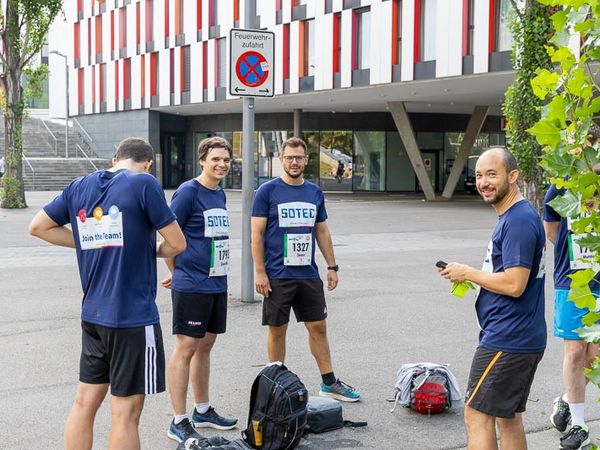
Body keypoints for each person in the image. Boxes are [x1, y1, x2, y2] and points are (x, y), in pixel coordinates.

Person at [28, 137, 186, 450]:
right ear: (148, 163)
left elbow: (38, 227)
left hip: (93, 313)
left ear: (115, 159)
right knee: (126, 411)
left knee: (85, 402)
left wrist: (95, 239)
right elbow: (177, 243)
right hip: (132, 316)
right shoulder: (145, 183)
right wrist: (146, 247)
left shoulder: (79, 186)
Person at [439, 147, 546, 450]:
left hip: (508, 339)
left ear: (513, 176)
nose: (484, 182)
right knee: (508, 417)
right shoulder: (516, 216)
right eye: (479, 175)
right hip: (521, 336)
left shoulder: (518, 220)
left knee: (477, 414)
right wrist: (467, 275)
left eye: (492, 174)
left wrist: (468, 273)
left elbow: (514, 284)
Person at [251, 136, 360, 402]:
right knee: (277, 329)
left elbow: (321, 230)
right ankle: (274, 385)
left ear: (306, 160)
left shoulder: (314, 192)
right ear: (281, 160)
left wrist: (332, 266)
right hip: (278, 275)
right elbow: (257, 233)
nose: (294, 162)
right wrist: (260, 271)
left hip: (307, 274)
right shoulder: (267, 191)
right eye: (289, 157)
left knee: (318, 326)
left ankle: (329, 382)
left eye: (299, 157)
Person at [161, 137, 238, 443]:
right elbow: (168, 235)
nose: (222, 164)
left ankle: (202, 410)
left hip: (216, 283)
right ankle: (178, 420)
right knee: (186, 348)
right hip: (192, 284)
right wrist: (177, 273)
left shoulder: (219, 193)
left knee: (205, 346)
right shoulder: (188, 192)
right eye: (216, 159)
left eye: (226, 160)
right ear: (202, 160)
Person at [544, 127, 600, 450]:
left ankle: (566, 399)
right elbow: (553, 232)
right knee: (576, 351)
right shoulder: (559, 188)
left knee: (594, 355)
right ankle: (579, 424)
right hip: (571, 279)